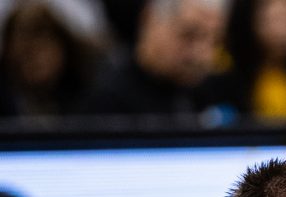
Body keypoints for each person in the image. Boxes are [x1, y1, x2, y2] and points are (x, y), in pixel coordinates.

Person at [77, 0, 227, 122]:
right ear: (149, 19)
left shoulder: (209, 92)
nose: (203, 55)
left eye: (214, 41)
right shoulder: (105, 101)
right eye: (189, 35)